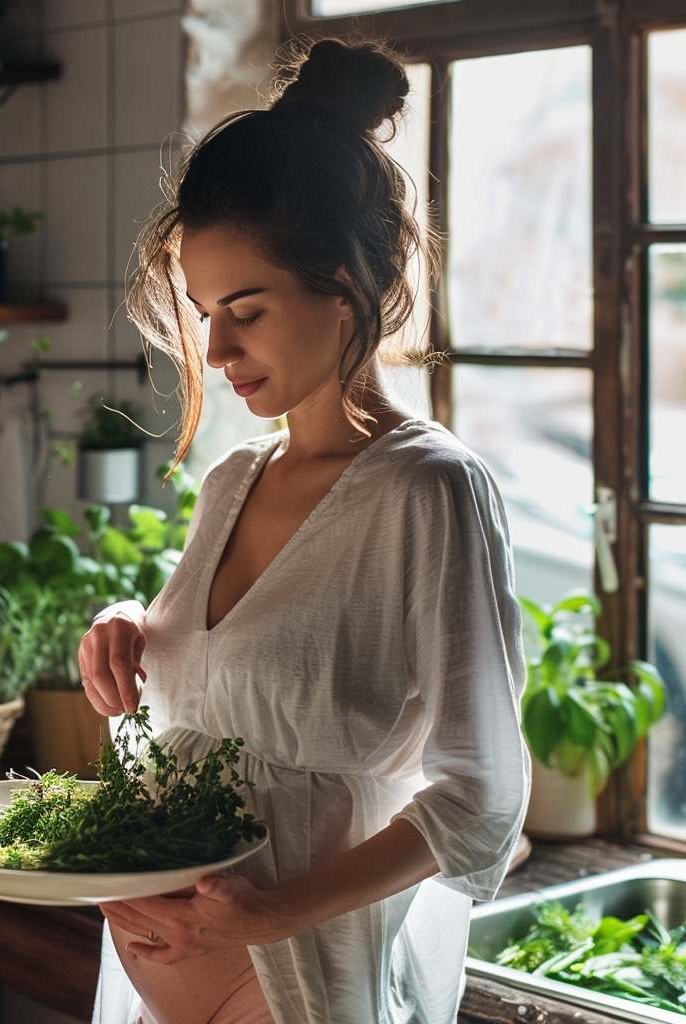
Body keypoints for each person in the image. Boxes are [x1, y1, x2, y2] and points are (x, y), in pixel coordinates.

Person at [77, 37, 530, 1024]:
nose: (216, 349)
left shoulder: (427, 492)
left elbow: (478, 795)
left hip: (297, 989)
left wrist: (274, 912)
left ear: (341, 287)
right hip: (157, 977)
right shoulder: (237, 478)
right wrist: (123, 632)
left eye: (245, 308)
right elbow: (213, 681)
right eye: (203, 312)